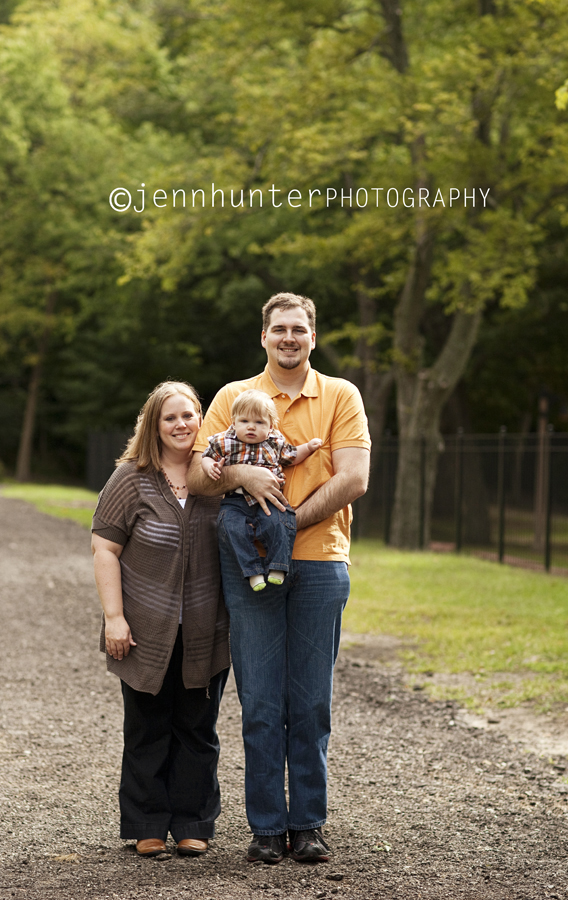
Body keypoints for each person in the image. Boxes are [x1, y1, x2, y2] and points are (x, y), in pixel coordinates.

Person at [188, 293, 370, 864]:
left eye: (298, 329)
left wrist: (286, 523)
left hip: (320, 561)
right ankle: (266, 828)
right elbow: (197, 473)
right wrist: (241, 474)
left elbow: (354, 478)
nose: (289, 338)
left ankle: (308, 824)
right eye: (279, 329)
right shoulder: (233, 397)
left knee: (311, 704)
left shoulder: (341, 395)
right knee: (262, 703)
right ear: (263, 336)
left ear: (313, 337)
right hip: (247, 566)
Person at [91, 381, 230, 858]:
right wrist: (114, 617)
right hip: (143, 630)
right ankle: (147, 823)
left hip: (207, 629)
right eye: (170, 417)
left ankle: (193, 822)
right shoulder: (130, 478)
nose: (180, 424)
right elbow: (104, 549)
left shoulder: (218, 476)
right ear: (154, 425)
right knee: (147, 728)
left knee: (198, 728)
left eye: (188, 415)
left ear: (201, 420)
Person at [201, 388, 322, 591]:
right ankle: (252, 571)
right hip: (236, 500)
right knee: (230, 527)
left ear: (271, 426)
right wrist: (209, 467)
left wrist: (308, 447)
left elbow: (292, 456)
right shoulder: (224, 441)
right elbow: (206, 456)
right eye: (244, 421)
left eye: (259, 422)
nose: (251, 427)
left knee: (280, 523)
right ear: (233, 422)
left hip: (269, 498)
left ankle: (278, 566)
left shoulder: (274, 442)